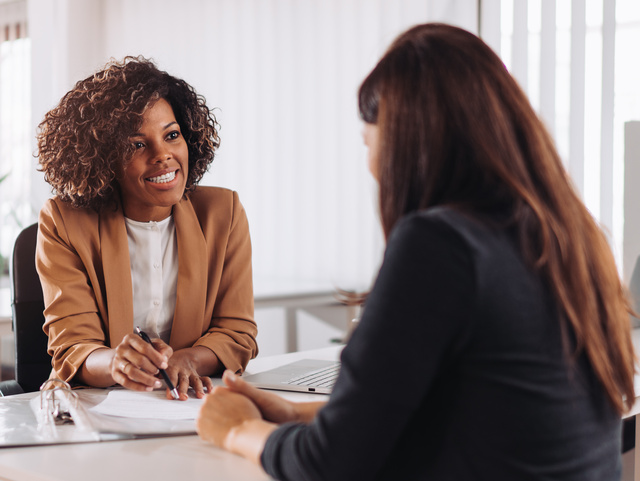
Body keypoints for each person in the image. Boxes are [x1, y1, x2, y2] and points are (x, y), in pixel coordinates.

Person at [196, 23, 636, 480]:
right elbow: (473, 413)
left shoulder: (441, 245)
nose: (371, 169)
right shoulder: (578, 238)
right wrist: (293, 415)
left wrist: (238, 429)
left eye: (369, 143)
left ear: (406, 143)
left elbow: (331, 466)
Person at [36, 57, 257, 400]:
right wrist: (115, 363)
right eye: (137, 144)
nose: (163, 155)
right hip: (95, 409)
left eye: (172, 135)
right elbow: (73, 346)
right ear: (103, 157)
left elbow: (237, 332)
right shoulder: (63, 221)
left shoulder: (222, 213)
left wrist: (188, 360)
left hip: (189, 405)